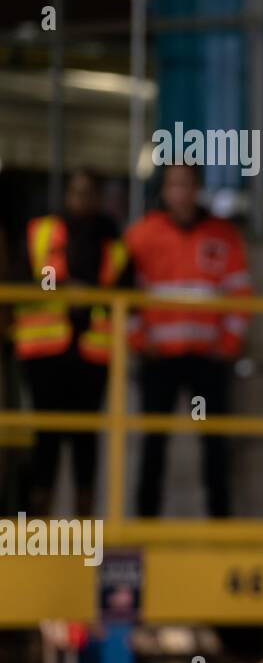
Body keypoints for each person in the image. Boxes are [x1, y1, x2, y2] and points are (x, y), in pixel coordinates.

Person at [124, 162, 251, 518]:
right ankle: (145, 527)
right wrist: (137, 338)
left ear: (197, 188)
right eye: (173, 185)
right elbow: (123, 293)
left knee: (215, 447)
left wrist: (228, 343)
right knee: (153, 446)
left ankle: (220, 528)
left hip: (208, 360)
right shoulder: (141, 236)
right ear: (164, 191)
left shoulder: (224, 236)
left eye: (187, 184)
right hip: (158, 359)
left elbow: (241, 294)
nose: (180, 192)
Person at [8, 169, 128, 517]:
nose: (82, 199)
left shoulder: (114, 243)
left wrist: (91, 297)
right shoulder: (40, 232)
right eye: (76, 191)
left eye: (89, 192)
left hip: (92, 355)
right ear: (66, 195)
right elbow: (21, 281)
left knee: (85, 443)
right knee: (46, 440)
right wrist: (62, 288)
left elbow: (123, 294)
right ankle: (38, 531)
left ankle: (83, 530)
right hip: (45, 355)